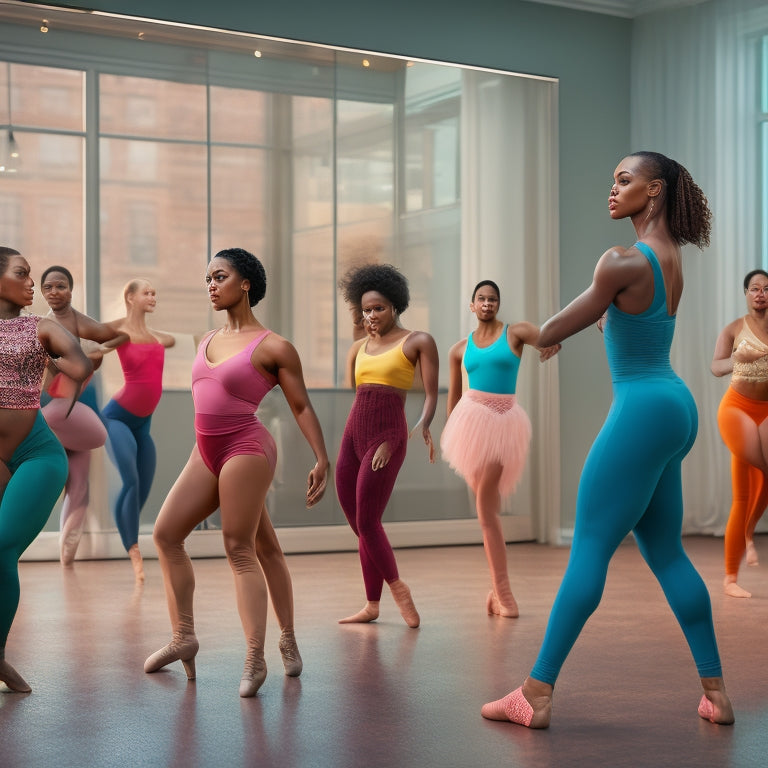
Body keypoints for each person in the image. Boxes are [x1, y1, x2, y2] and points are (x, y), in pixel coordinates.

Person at [481, 151, 734, 728]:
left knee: (590, 546)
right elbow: (632, 318)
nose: (613, 190)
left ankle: (536, 693)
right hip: (675, 407)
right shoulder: (668, 260)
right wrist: (600, 316)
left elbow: (546, 331)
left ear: (658, 190)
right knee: (665, 551)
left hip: (641, 408)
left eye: (625, 181)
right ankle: (716, 694)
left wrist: (518, 333)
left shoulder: (620, 260)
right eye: (612, 180)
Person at [144, 247, 329, 697]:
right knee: (167, 535)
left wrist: (323, 458)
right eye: (207, 277)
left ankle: (257, 656)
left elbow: (300, 404)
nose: (211, 284)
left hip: (246, 447)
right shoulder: (206, 338)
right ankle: (184, 636)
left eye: (220, 276)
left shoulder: (274, 346)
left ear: (244, 283)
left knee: (238, 546)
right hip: (205, 451)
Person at [0, 247, 92, 693]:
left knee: (1, 547)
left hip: (37, 455)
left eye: (31, 275)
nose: (31, 283)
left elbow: (81, 364)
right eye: (22, 274)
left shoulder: (40, 327)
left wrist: (45, 359)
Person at [441, 280, 559, 618]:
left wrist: (552, 345)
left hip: (503, 421)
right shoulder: (459, 349)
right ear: (472, 305)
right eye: (481, 299)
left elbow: (549, 337)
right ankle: (496, 592)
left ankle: (504, 593)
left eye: (493, 299)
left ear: (498, 304)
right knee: (486, 510)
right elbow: (454, 397)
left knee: (485, 510)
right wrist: (451, 435)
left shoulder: (515, 332)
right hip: (469, 425)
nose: (487, 304)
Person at [336, 263, 439, 628]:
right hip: (353, 436)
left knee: (368, 520)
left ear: (395, 305)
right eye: (365, 310)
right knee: (359, 523)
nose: (371, 315)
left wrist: (418, 426)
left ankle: (398, 590)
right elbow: (359, 396)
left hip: (387, 437)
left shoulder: (418, 341)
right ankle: (372, 605)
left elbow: (429, 394)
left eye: (378, 308)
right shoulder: (359, 347)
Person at [39, 265, 128, 565]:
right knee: (53, 478)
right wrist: (67, 360)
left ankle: (67, 556)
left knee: (78, 486)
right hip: (55, 410)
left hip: (77, 412)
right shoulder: (45, 327)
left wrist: (95, 352)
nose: (54, 292)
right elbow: (44, 377)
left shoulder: (81, 323)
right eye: (48, 287)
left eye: (60, 286)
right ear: (42, 292)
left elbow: (120, 336)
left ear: (71, 289)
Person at [101, 279, 175, 581]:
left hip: (143, 425)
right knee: (130, 480)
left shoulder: (157, 336)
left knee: (142, 487)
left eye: (155, 292)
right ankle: (133, 550)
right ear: (130, 297)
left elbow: (172, 340)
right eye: (147, 292)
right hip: (116, 418)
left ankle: (127, 533)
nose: (153, 297)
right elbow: (93, 344)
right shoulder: (119, 332)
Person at [711, 269, 768, 598]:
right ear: (746, 293)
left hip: (765, 411)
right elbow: (715, 366)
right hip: (737, 408)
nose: (760, 293)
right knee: (753, 475)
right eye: (755, 288)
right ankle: (733, 573)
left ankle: (745, 539)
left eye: (766, 289)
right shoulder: (734, 328)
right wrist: (737, 358)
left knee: (746, 495)